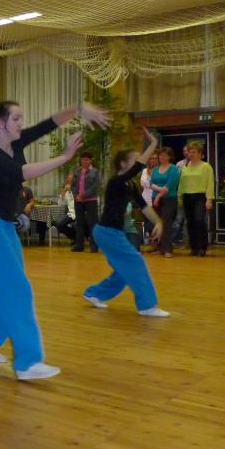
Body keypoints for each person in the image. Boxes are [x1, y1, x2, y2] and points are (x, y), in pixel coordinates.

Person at [0, 100, 110, 381]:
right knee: (18, 291)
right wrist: (65, 157)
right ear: (0, 123)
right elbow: (20, 173)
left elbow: (49, 124)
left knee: (10, 290)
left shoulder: (16, 143)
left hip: (4, 227)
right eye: (16, 119)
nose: (21, 124)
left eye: (22, 118)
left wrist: (79, 109)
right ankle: (27, 362)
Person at [83, 128, 169, 317]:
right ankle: (147, 306)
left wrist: (158, 222)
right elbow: (139, 166)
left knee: (124, 269)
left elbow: (144, 206)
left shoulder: (130, 185)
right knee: (136, 261)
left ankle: (94, 293)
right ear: (123, 164)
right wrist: (153, 144)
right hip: (107, 232)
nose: (140, 162)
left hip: (112, 232)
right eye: (135, 160)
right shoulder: (115, 181)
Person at [177, 141, 215, 256]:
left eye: (193, 152)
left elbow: (210, 183)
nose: (191, 154)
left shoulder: (206, 166)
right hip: (187, 196)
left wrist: (209, 199)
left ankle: (203, 247)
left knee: (199, 220)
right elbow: (181, 184)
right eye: (189, 152)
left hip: (200, 196)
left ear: (199, 153)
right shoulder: (185, 167)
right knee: (190, 222)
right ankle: (194, 247)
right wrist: (180, 198)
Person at [150, 147, 180, 257]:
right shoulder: (155, 169)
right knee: (158, 223)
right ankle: (160, 248)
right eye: (160, 155)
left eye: (164, 155)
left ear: (169, 157)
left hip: (169, 199)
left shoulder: (173, 168)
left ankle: (167, 249)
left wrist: (158, 196)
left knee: (166, 223)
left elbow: (170, 185)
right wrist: (159, 190)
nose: (161, 157)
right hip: (155, 198)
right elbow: (151, 184)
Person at [71, 151, 101, 252]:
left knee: (93, 223)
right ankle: (79, 244)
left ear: (91, 160)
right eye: (83, 160)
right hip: (78, 200)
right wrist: (76, 195)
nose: (84, 161)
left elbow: (95, 186)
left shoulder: (95, 171)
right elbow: (73, 185)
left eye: (86, 160)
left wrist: (83, 195)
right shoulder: (77, 171)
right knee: (79, 223)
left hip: (91, 200)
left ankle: (94, 245)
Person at [171, 143, 191, 245]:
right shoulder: (179, 164)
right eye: (184, 151)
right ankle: (172, 241)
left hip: (191, 194)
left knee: (188, 221)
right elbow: (175, 179)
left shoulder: (197, 164)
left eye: (187, 150)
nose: (185, 153)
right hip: (180, 194)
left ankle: (187, 242)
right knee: (178, 220)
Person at [139, 153, 158, 245]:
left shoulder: (160, 170)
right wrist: (154, 185)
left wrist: (150, 184)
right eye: (151, 158)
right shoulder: (144, 170)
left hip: (156, 198)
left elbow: (160, 183)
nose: (153, 160)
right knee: (146, 220)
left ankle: (155, 240)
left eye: (155, 158)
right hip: (146, 199)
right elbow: (142, 183)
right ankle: (148, 239)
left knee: (154, 221)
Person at [53, 173, 77, 242]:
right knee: (58, 224)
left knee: (76, 225)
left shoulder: (78, 189)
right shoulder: (66, 192)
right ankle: (74, 237)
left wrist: (72, 190)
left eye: (71, 180)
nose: (70, 181)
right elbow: (61, 204)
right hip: (71, 214)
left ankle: (76, 238)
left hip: (79, 212)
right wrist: (63, 192)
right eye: (68, 180)